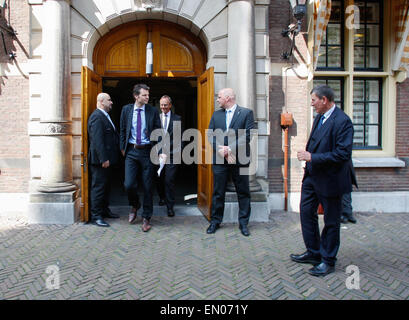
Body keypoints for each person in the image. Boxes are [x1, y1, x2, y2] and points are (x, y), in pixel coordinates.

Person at [291, 85, 354, 276]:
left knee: (331, 221)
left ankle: (328, 260)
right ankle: (314, 252)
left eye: (313, 100)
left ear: (324, 100)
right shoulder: (319, 117)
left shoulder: (343, 121)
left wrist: (312, 158)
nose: (311, 104)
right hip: (312, 177)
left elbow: (343, 154)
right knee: (306, 213)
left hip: (331, 180)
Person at [206, 88, 254, 237]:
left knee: (243, 192)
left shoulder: (246, 113)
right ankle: (215, 221)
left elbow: (248, 135)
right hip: (220, 160)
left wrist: (230, 149)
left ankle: (244, 223)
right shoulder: (216, 114)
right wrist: (220, 150)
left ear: (227, 98)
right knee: (218, 192)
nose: (217, 99)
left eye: (219, 97)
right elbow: (210, 134)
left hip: (240, 160)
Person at [120, 84, 161, 232]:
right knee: (129, 184)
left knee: (148, 186)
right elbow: (123, 129)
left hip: (147, 152)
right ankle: (135, 204)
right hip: (131, 151)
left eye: (148, 95)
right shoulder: (126, 110)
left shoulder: (152, 111)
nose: (147, 97)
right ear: (136, 96)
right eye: (144, 95)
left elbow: (159, 132)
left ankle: (146, 217)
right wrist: (122, 148)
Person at [87, 93, 120, 227]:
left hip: (108, 160)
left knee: (106, 187)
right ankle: (96, 216)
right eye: (109, 100)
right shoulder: (96, 117)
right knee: (98, 188)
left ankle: (105, 211)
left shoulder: (105, 116)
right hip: (100, 161)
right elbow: (97, 140)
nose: (111, 102)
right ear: (101, 101)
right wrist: (104, 159)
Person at [155, 95, 182, 217]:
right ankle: (162, 197)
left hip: (172, 155)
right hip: (158, 154)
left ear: (170, 105)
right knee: (159, 178)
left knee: (169, 180)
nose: (163, 107)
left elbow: (179, 138)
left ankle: (170, 207)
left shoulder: (177, 119)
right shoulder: (156, 118)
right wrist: (160, 152)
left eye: (165, 105)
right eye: (161, 105)